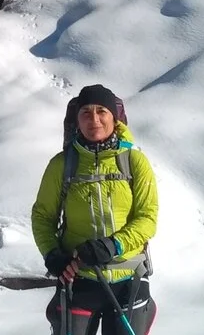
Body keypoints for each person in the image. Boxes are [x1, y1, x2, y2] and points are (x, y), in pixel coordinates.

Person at [31, 85, 159, 335]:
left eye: (102, 111)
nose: (94, 119)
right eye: (86, 113)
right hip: (78, 279)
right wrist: (53, 255)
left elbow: (147, 218)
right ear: (76, 120)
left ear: (114, 117)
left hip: (129, 277)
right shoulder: (62, 165)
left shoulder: (134, 161)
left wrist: (113, 245)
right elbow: (42, 217)